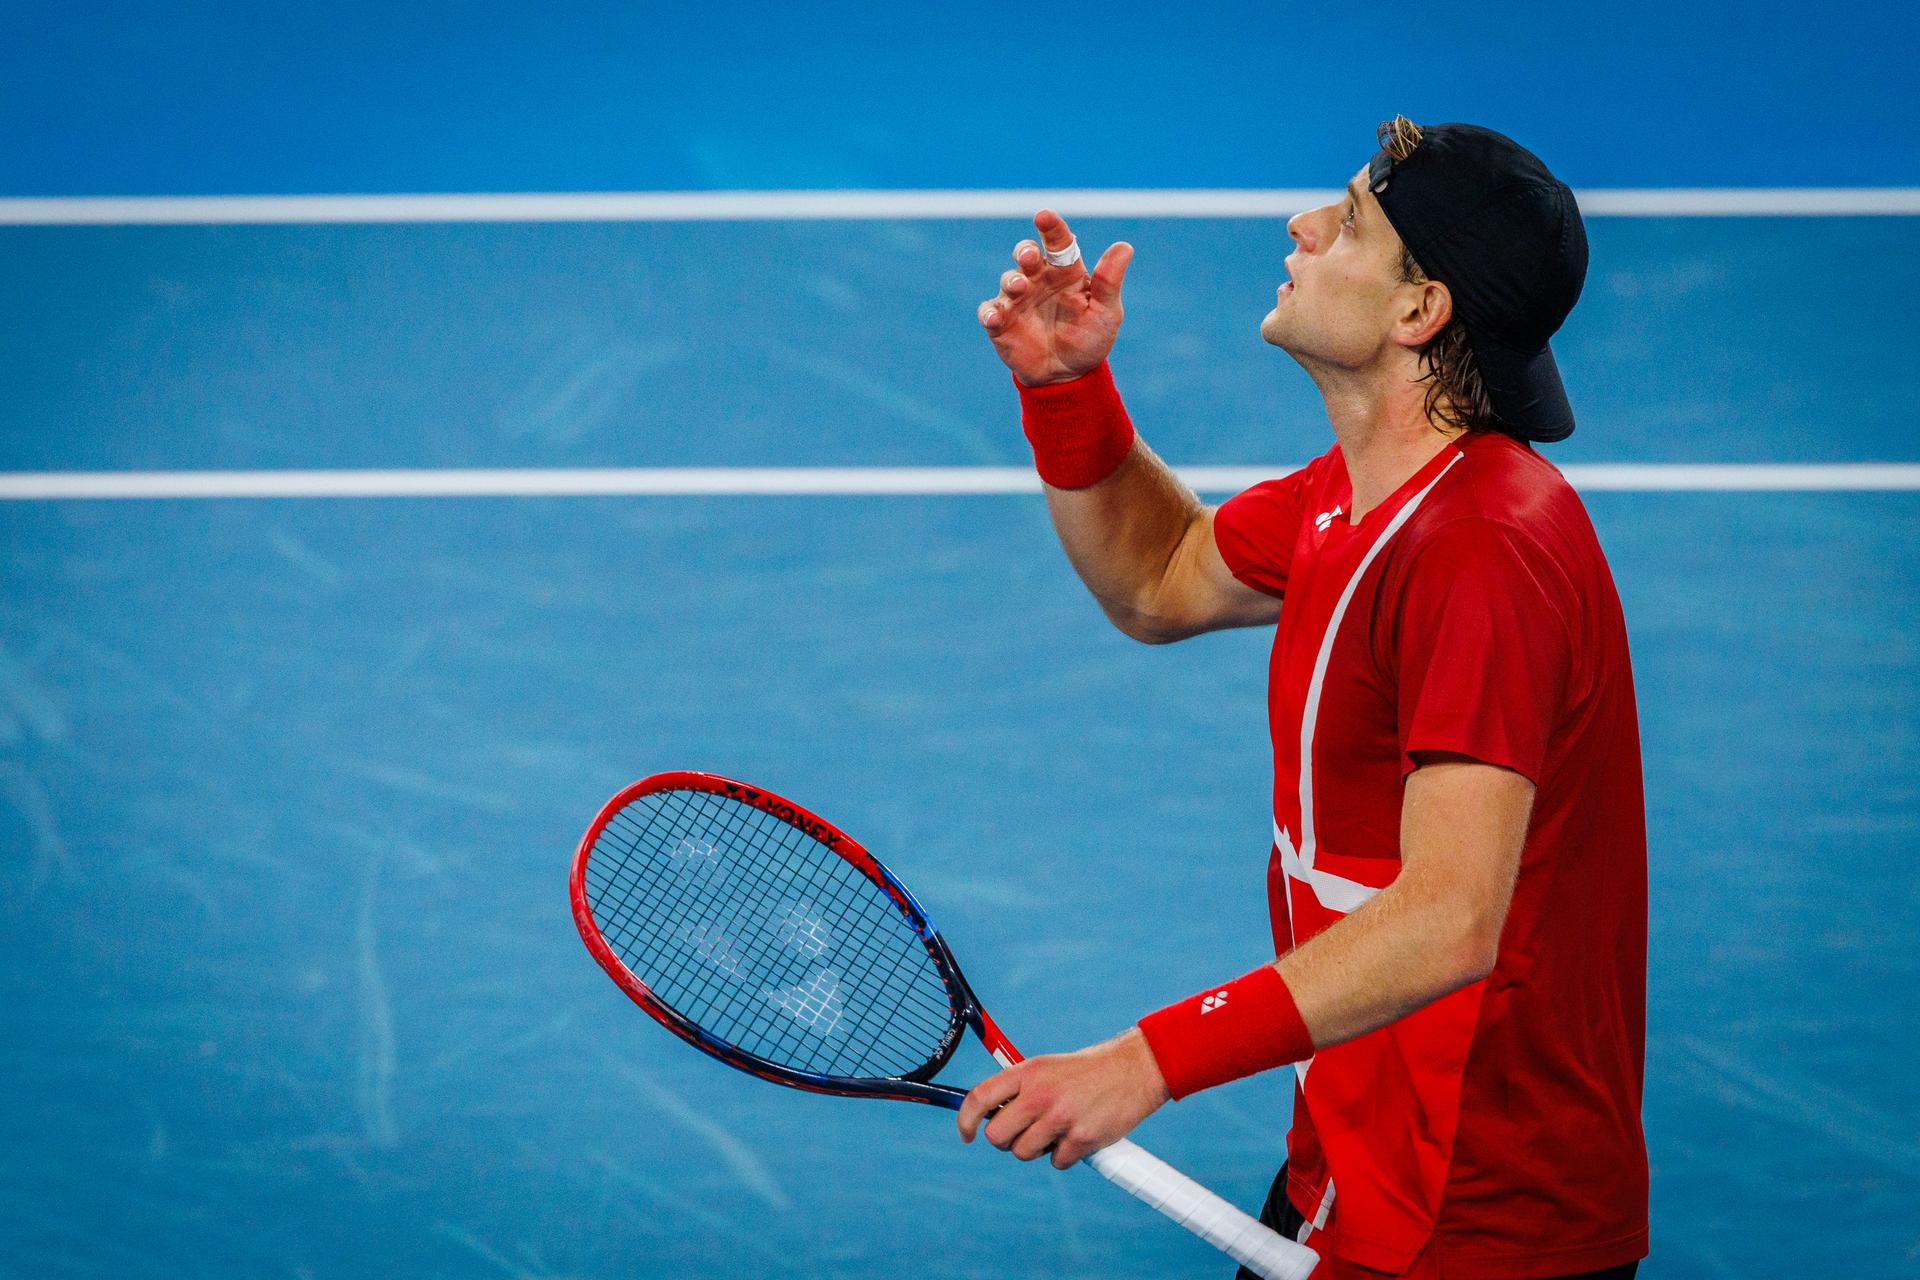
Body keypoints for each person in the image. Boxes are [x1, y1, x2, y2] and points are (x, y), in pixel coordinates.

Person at [954, 117, 1649, 1280]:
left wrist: (1144, 1061)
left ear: (1419, 310)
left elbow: (1449, 912)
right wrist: (1069, 391)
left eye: (1352, 221)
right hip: (1355, 1154)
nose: (1303, 226)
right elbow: (1161, 573)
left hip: (1477, 1222)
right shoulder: (1356, 498)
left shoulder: (1485, 549)